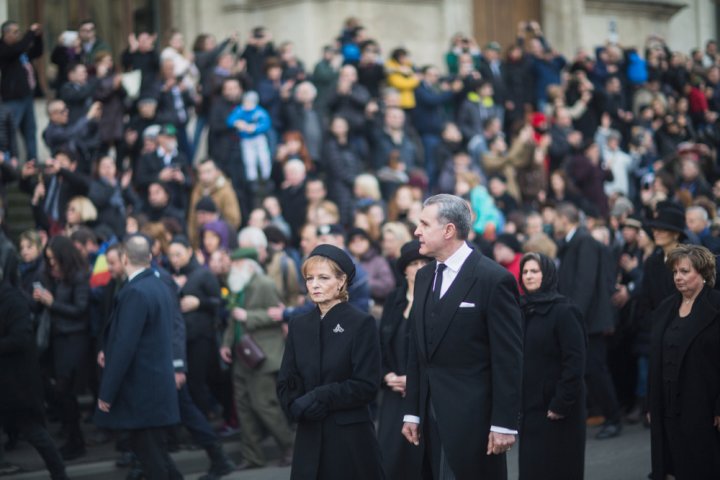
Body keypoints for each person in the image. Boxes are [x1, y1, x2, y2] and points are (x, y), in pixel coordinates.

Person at [402, 194, 523, 480]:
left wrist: (504, 424)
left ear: (448, 230)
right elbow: (417, 348)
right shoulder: (423, 276)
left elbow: (508, 358)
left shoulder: (494, 279)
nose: (416, 231)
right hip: (427, 419)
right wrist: (412, 412)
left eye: (423, 224)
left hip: (474, 420)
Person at [277, 244, 384, 479]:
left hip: (349, 438)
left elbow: (366, 385)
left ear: (341, 281)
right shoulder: (298, 325)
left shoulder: (361, 323)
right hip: (309, 434)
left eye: (323, 278)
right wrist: (296, 406)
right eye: (309, 278)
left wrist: (318, 397)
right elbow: (286, 380)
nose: (314, 284)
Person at [94, 235, 181, 479]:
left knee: (153, 462)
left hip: (142, 392)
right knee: (158, 458)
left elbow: (125, 345)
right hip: (156, 387)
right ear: (150, 257)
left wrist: (106, 392)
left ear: (124, 258)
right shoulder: (159, 286)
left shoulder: (135, 292)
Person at [649, 244, 720, 479]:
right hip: (668, 402)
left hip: (704, 404)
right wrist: (652, 404)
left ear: (703, 273)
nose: (678, 277)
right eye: (675, 272)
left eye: (685, 271)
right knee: (674, 463)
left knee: (703, 463)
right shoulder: (666, 308)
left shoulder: (716, 306)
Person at [219, 248, 294, 470]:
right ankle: (253, 456)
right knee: (243, 407)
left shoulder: (264, 284)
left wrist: (249, 316)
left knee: (264, 405)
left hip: (264, 354)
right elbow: (233, 319)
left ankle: (290, 446)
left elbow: (278, 315)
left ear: (249, 265)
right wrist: (226, 343)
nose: (232, 267)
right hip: (243, 353)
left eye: (236, 263)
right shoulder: (236, 286)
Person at [554, 202, 622, 439]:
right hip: (582, 318)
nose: (553, 222)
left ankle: (613, 418)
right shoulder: (575, 242)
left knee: (596, 370)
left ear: (565, 219)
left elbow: (585, 283)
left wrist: (574, 317)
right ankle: (605, 415)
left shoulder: (584, 242)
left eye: (555, 218)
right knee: (588, 370)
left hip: (588, 320)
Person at [517, 252, 586, 480]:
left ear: (547, 274)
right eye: (525, 271)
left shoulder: (564, 310)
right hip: (530, 407)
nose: (528, 276)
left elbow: (575, 361)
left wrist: (561, 403)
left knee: (558, 468)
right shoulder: (523, 309)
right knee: (532, 469)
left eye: (534, 271)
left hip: (557, 408)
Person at [0, 280, 68, 480]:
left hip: (16, 383)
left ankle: (60, 475)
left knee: (33, 431)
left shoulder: (12, 300)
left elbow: (20, 338)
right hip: (7, 381)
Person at [33, 236, 90, 460]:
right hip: (57, 340)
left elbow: (80, 309)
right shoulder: (52, 275)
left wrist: (52, 302)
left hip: (73, 340)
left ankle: (76, 440)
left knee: (66, 391)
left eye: (54, 258)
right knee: (58, 390)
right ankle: (72, 435)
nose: (52, 263)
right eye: (48, 259)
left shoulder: (78, 276)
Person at [377, 240, 429, 479]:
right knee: (389, 456)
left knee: (419, 458)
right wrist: (387, 375)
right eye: (414, 263)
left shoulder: (434, 300)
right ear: (405, 269)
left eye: (424, 263)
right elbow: (379, 345)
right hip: (393, 390)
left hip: (423, 392)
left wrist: (414, 380)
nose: (419, 268)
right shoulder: (393, 299)